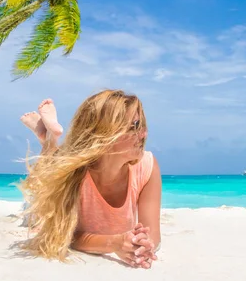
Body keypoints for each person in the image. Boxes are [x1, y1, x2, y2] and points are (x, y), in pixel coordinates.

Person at [17, 89, 162, 269]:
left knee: (58, 162)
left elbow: (154, 234)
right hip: (51, 198)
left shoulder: (147, 166)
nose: (144, 134)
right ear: (103, 134)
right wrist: (113, 243)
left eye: (141, 125)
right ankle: (49, 139)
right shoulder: (75, 172)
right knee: (38, 197)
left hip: (74, 158)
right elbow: (62, 234)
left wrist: (143, 244)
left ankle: (48, 137)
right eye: (133, 127)